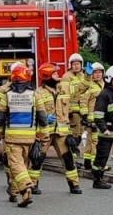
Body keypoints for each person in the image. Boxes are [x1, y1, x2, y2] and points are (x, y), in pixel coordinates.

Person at [0, 60, 37, 208]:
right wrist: (43, 136)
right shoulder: (33, 93)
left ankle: (23, 188)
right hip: (29, 135)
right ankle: (13, 190)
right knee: (20, 164)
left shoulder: (5, 92)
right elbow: (41, 115)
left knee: (15, 164)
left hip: (11, 135)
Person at [32, 64, 82, 195]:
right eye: (54, 74)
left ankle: (74, 185)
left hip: (62, 132)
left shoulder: (63, 89)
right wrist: (42, 120)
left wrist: (72, 132)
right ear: (47, 77)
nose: (57, 76)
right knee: (38, 159)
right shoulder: (38, 93)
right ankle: (33, 185)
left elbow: (80, 90)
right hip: (45, 133)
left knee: (68, 160)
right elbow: (34, 113)